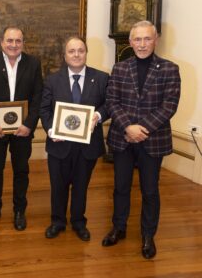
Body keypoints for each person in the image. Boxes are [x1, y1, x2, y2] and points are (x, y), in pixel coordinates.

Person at [101, 20, 180, 259]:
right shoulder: (120, 68)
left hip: (152, 140)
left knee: (150, 190)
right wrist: (128, 127)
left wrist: (141, 129)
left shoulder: (169, 69)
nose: (142, 44)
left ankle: (148, 235)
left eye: (147, 39)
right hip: (123, 138)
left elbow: (169, 106)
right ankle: (119, 227)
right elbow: (112, 102)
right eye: (137, 39)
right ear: (131, 41)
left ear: (156, 40)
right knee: (120, 187)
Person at [39, 37, 109, 241]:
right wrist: (51, 129)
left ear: (86, 53)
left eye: (80, 51)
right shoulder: (52, 80)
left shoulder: (102, 78)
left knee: (81, 186)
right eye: (72, 51)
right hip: (59, 145)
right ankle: (57, 221)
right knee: (58, 186)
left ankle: (79, 222)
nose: (76, 55)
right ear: (65, 55)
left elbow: (109, 105)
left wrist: (98, 115)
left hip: (87, 146)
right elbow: (44, 109)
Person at [0, 27, 43, 230]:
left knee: (21, 170)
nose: (14, 45)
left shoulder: (33, 64)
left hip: (23, 130)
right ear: (2, 42)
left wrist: (29, 124)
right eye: (10, 40)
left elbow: (38, 97)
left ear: (23, 43)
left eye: (18, 41)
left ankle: (19, 210)